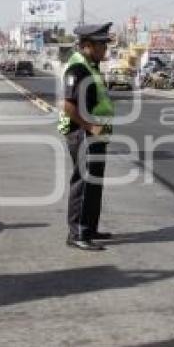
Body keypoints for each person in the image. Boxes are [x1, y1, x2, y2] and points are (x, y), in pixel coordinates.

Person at [57, 23, 116, 251]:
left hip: (94, 134)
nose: (106, 49)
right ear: (88, 45)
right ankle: (77, 233)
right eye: (102, 44)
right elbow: (68, 106)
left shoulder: (91, 65)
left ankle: (89, 228)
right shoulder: (78, 68)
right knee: (83, 182)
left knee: (94, 183)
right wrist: (90, 127)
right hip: (81, 133)